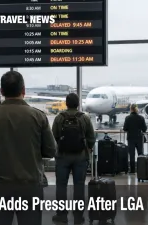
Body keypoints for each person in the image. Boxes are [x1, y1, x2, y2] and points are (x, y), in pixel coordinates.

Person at [0, 71, 56, 225]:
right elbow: (51, 150)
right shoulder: (39, 116)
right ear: (23, 90)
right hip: (30, 184)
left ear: (2, 91)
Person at [51, 93, 95, 225]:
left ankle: (61, 215)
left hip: (63, 156)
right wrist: (88, 148)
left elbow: (54, 137)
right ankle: (78, 215)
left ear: (66, 103)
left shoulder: (59, 118)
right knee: (79, 185)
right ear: (78, 104)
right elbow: (91, 138)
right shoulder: (84, 118)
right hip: (80, 157)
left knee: (61, 186)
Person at [123, 104, 147, 173]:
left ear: (131, 109)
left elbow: (125, 128)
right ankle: (141, 170)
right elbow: (144, 129)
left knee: (132, 155)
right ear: (137, 109)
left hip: (131, 138)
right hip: (139, 138)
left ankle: (132, 170)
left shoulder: (127, 118)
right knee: (140, 154)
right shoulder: (141, 118)